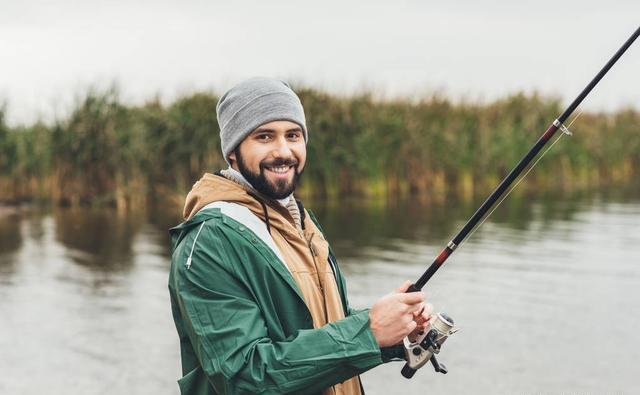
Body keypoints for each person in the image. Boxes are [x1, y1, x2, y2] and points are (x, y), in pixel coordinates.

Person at [168, 77, 432, 395]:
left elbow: (320, 324)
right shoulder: (209, 241)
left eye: (293, 135)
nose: (283, 151)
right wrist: (368, 332)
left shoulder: (300, 220)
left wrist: (398, 330)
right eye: (264, 136)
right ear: (233, 152)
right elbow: (244, 376)